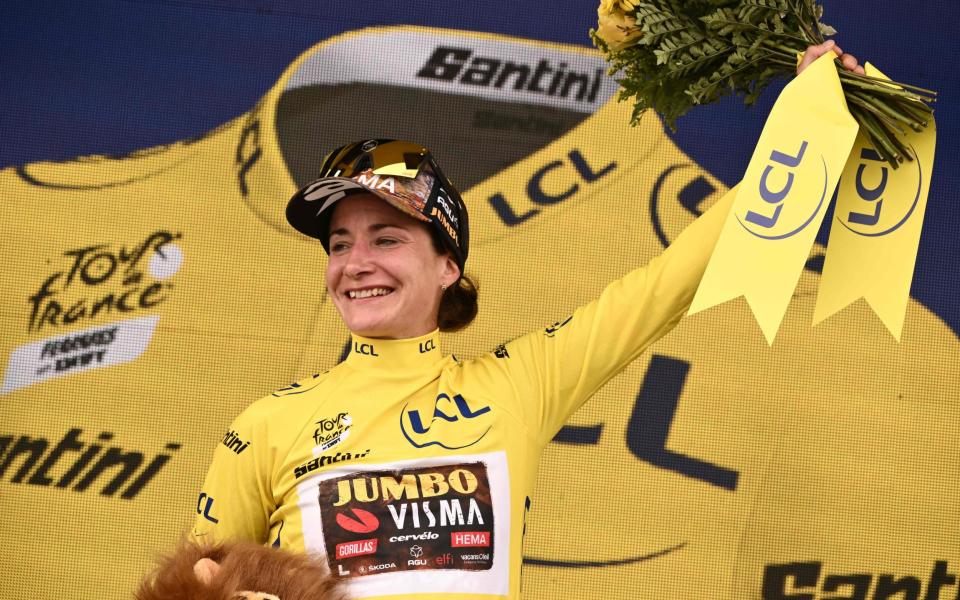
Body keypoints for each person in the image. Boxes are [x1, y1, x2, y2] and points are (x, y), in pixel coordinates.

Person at [192, 42, 861, 600]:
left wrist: (810, 130)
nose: (355, 263)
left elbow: (671, 282)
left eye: (387, 239)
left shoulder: (515, 385)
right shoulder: (266, 425)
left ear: (447, 264)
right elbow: (193, 581)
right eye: (339, 244)